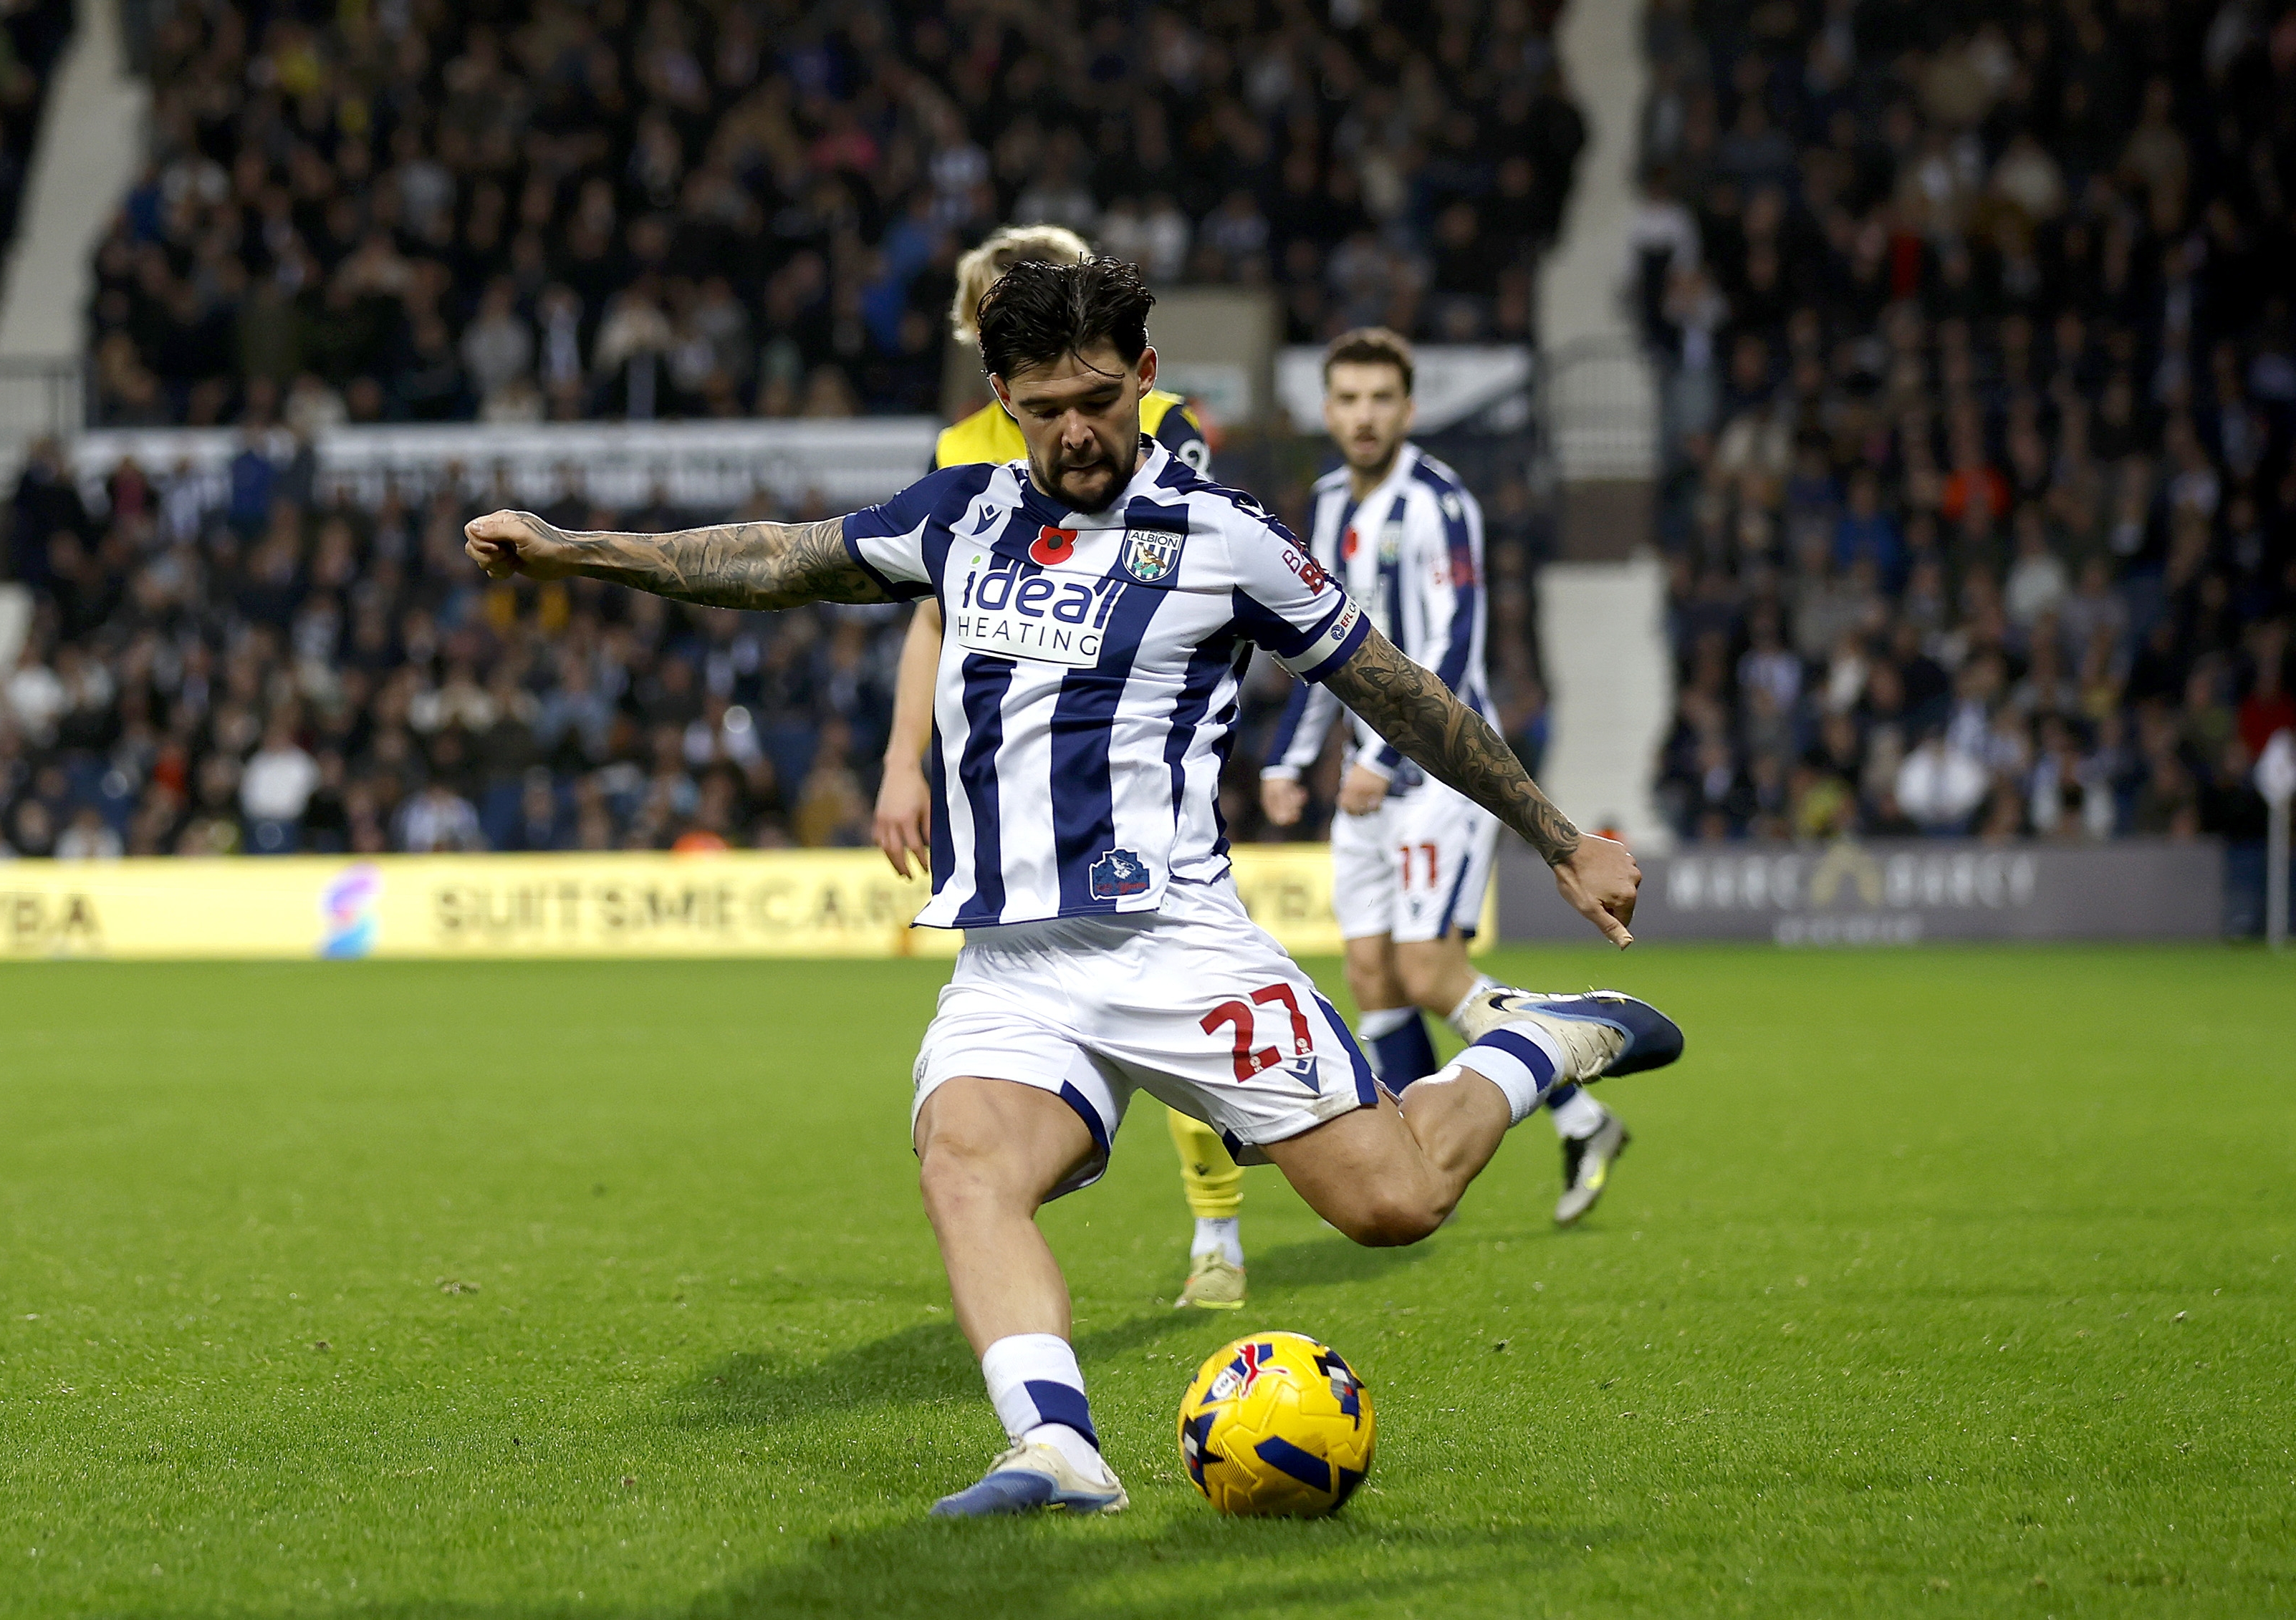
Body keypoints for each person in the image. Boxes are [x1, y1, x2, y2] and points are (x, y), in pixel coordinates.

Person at [464, 259, 1677, 1520]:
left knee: (1396, 1202)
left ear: (1144, 378)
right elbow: (775, 556)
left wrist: (1556, 837)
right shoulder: (958, 515)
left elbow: (1401, 692)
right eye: (1043, 406)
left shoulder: (1224, 535)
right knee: (964, 1163)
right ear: (1004, 396)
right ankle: (1054, 1448)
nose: (1075, 430)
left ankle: (1538, 1041)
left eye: (1098, 398)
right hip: (1015, 969)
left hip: (1179, 947)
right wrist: (575, 553)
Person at [867, 226, 1249, 1311]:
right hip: (1009, 777)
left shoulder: (1159, 424)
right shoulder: (958, 454)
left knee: (1174, 978)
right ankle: (1059, 1146)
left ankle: (1215, 1222)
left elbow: (1188, 563)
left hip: (1132, 745)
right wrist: (907, 760)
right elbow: (935, 613)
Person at [1261, 329, 1630, 1227]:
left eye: (1380, 399)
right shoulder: (1322, 502)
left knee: (1427, 970)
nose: (1362, 415)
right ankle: (1454, 1148)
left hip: (1435, 780)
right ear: (1326, 408)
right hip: (1363, 777)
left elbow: (1454, 650)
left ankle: (1568, 1088)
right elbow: (1322, 647)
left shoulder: (1437, 502)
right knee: (1368, 974)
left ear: (1408, 409)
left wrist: (1385, 760)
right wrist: (1290, 756)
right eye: (1346, 399)